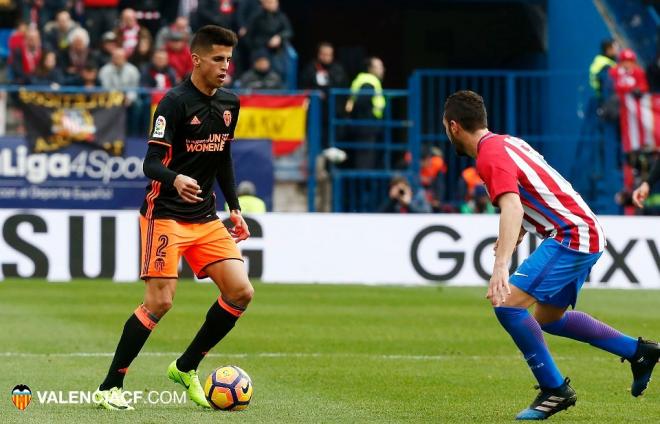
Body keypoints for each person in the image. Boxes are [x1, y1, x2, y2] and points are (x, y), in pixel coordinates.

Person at [442, 90, 660, 420]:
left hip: (572, 235)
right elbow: (534, 194)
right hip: (580, 231)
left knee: (506, 304)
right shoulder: (507, 143)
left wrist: (501, 265)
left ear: (454, 126)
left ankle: (555, 390)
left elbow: (513, 205)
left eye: (446, 127)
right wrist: (514, 239)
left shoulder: (489, 155)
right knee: (548, 318)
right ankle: (637, 351)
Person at [94, 25, 253, 411]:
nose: (225, 67)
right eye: (218, 59)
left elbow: (223, 158)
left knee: (240, 292)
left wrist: (234, 207)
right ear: (196, 59)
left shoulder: (230, 104)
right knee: (159, 303)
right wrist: (175, 178)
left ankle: (186, 367)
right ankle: (109, 387)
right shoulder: (173, 103)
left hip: (205, 216)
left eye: (229, 60)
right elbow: (150, 163)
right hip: (164, 214)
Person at [345, 57, 386, 169]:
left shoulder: (364, 80)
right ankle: (363, 186)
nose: (383, 69)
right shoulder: (369, 82)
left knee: (365, 157)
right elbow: (361, 101)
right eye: (379, 67)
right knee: (365, 159)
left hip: (365, 126)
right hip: (366, 126)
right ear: (370, 69)